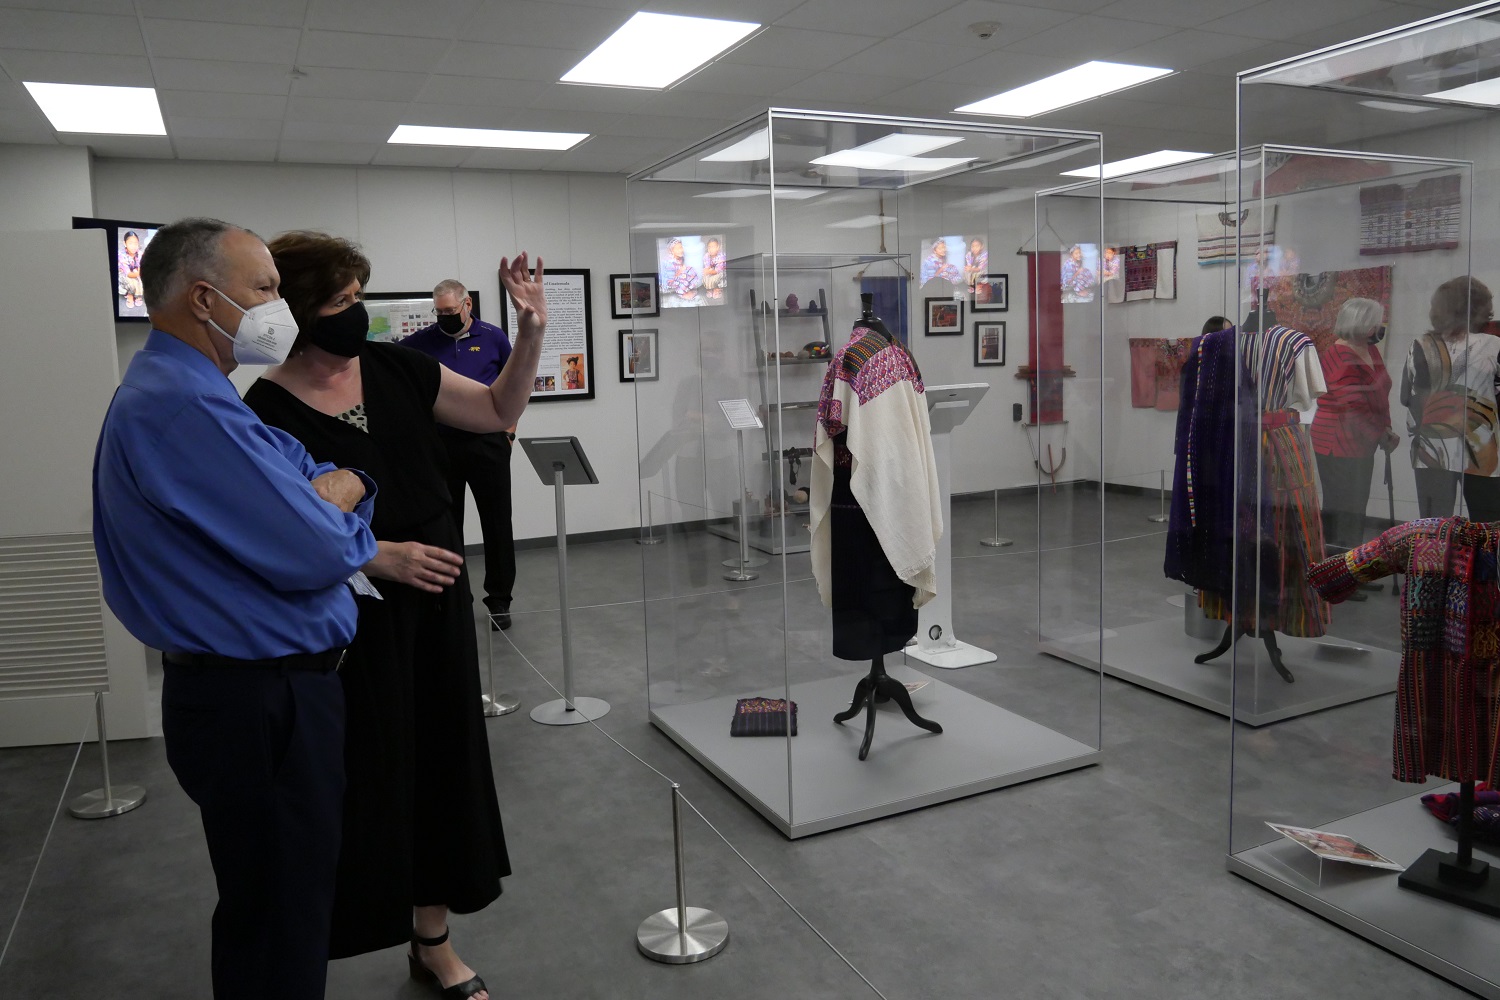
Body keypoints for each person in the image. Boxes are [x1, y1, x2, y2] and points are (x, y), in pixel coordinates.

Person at [243, 232, 545, 1000]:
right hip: (349, 619)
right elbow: (276, 533)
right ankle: (334, 935)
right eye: (343, 302)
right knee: (368, 774)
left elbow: (495, 409)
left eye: (360, 297)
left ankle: (433, 940)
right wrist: (373, 555)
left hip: (437, 598)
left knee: (442, 761)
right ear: (300, 311)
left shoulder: (398, 368)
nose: (359, 314)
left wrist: (532, 328)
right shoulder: (265, 408)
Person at [92, 217, 379, 1000]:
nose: (277, 309)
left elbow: (306, 468)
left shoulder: (198, 395)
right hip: (260, 699)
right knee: (280, 912)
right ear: (205, 297)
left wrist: (329, 492)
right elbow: (320, 545)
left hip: (254, 694)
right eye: (266, 290)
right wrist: (343, 499)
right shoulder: (184, 409)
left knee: (273, 900)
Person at [402, 279, 518, 629]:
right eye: (439, 313)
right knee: (447, 528)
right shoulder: (422, 342)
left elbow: (514, 385)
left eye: (451, 312)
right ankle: (456, 601)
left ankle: (499, 601)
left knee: (497, 524)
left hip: (488, 445)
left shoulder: (493, 337)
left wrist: (509, 433)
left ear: (467, 304)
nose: (445, 318)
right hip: (441, 448)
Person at [1401, 276, 1500, 521]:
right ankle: (1482, 562)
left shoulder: (1420, 344)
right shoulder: (1495, 345)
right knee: (1486, 528)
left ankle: (1433, 561)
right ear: (1480, 307)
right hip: (1482, 449)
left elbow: (1406, 396)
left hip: (1431, 450)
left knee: (1433, 525)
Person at [1310, 298, 1398, 552]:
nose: (1379, 327)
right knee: (1343, 507)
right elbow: (1353, 405)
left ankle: (1354, 567)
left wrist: (1387, 427)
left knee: (1357, 505)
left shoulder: (1369, 349)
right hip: (1338, 441)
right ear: (1362, 324)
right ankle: (1337, 571)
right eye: (1375, 323)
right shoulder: (1338, 355)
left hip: (1363, 440)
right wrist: (1381, 434)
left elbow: (1381, 390)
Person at [118, 229, 143, 308]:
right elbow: (129, 274)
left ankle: (137, 294)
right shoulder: (121, 255)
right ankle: (130, 295)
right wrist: (139, 272)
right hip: (125, 276)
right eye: (130, 243)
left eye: (136, 243)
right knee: (131, 278)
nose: (134, 246)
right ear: (125, 243)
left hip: (135, 273)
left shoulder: (139, 253)